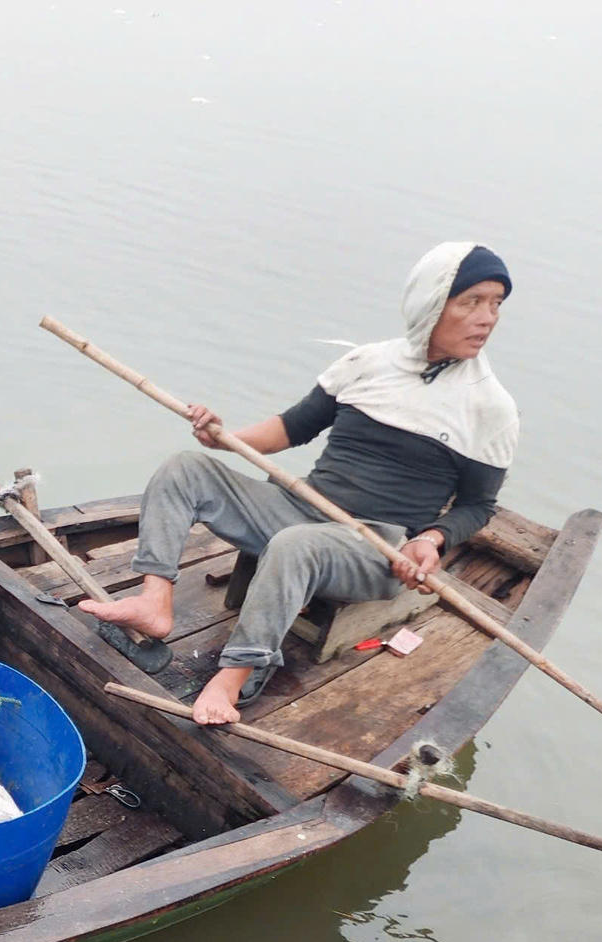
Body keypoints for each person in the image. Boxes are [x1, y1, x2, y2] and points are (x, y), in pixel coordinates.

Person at [80, 241, 519, 725]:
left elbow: (478, 506)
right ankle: (154, 602)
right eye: (472, 301)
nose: (488, 318)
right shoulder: (367, 364)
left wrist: (432, 539)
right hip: (299, 507)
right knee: (184, 467)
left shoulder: (489, 407)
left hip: (375, 547)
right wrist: (221, 437)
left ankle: (235, 677)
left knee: (296, 546)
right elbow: (290, 429)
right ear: (431, 304)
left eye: (496, 303)